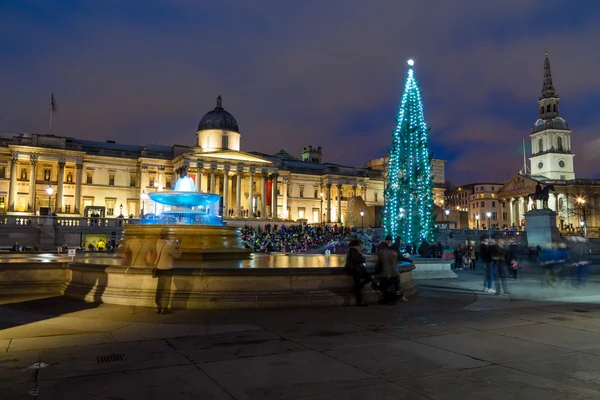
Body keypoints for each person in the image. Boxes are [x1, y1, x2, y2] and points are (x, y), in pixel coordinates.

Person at [154, 230, 182, 314]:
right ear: (167, 235)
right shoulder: (169, 245)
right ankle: (164, 308)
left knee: (160, 288)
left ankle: (158, 306)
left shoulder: (158, 243)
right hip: (167, 268)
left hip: (159, 267)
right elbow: (178, 255)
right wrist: (178, 246)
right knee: (166, 289)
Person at [376, 235, 408, 304]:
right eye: (388, 240)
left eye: (390, 241)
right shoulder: (383, 246)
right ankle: (398, 296)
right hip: (383, 269)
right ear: (386, 240)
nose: (389, 242)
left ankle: (398, 296)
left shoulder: (388, 247)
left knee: (395, 281)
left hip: (387, 269)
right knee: (394, 281)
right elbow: (384, 257)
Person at [344, 239, 372, 307]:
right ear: (355, 246)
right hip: (355, 270)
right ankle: (360, 301)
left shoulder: (353, 251)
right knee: (361, 282)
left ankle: (358, 289)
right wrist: (364, 259)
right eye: (359, 246)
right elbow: (358, 259)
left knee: (366, 279)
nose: (360, 247)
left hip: (357, 269)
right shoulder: (352, 251)